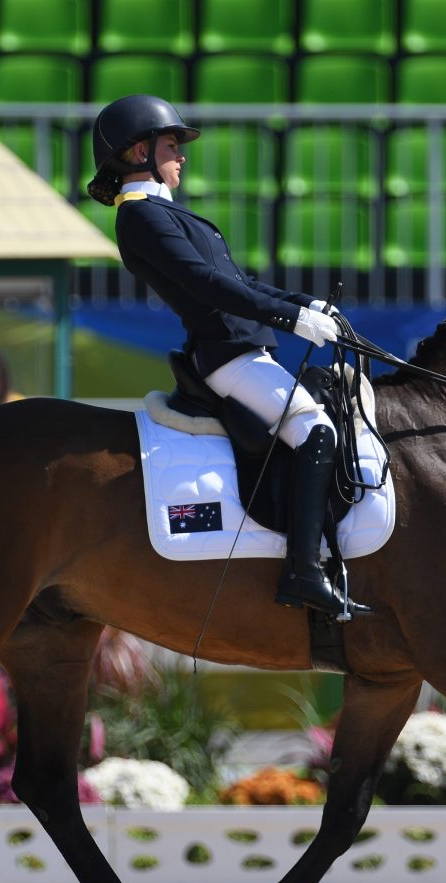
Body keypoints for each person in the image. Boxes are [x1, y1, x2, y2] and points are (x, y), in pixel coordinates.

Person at [87, 95, 369, 619]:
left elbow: (241, 283)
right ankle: (303, 573)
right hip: (229, 356)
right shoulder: (142, 217)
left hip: (244, 347)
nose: (181, 156)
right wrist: (291, 320)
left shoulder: (163, 212)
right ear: (138, 151)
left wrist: (304, 304)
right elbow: (206, 285)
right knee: (316, 432)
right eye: (172, 145)